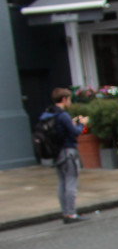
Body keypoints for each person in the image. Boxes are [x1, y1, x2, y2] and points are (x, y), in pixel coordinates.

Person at [39, 87, 88, 224]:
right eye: (69, 99)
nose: (70, 102)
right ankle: (71, 214)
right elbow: (75, 132)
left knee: (61, 182)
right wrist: (81, 124)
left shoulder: (47, 114)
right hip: (68, 152)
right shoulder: (63, 116)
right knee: (71, 181)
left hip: (56, 153)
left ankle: (65, 212)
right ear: (64, 99)